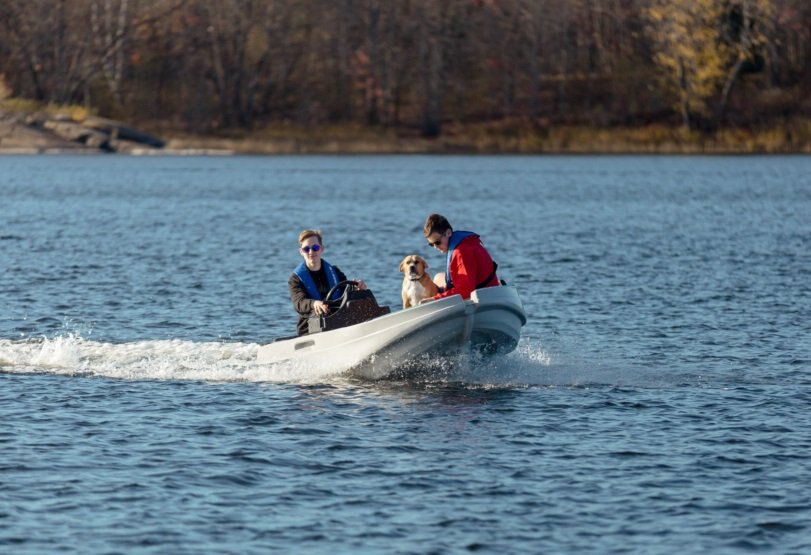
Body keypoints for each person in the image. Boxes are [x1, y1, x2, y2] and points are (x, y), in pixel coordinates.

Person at [288, 229, 366, 336]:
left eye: (315, 248)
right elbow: (299, 302)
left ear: (321, 249)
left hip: (339, 322)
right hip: (310, 330)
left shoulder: (335, 272)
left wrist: (357, 288)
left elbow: (346, 293)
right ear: (301, 252)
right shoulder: (295, 279)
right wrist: (314, 303)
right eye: (306, 249)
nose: (311, 252)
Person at [421, 213, 500, 303]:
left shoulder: (461, 252)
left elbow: (466, 290)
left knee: (434, 286)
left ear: (448, 233)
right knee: (438, 277)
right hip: (486, 287)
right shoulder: (465, 243)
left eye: (437, 242)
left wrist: (434, 299)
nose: (435, 247)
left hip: (483, 296)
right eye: (431, 244)